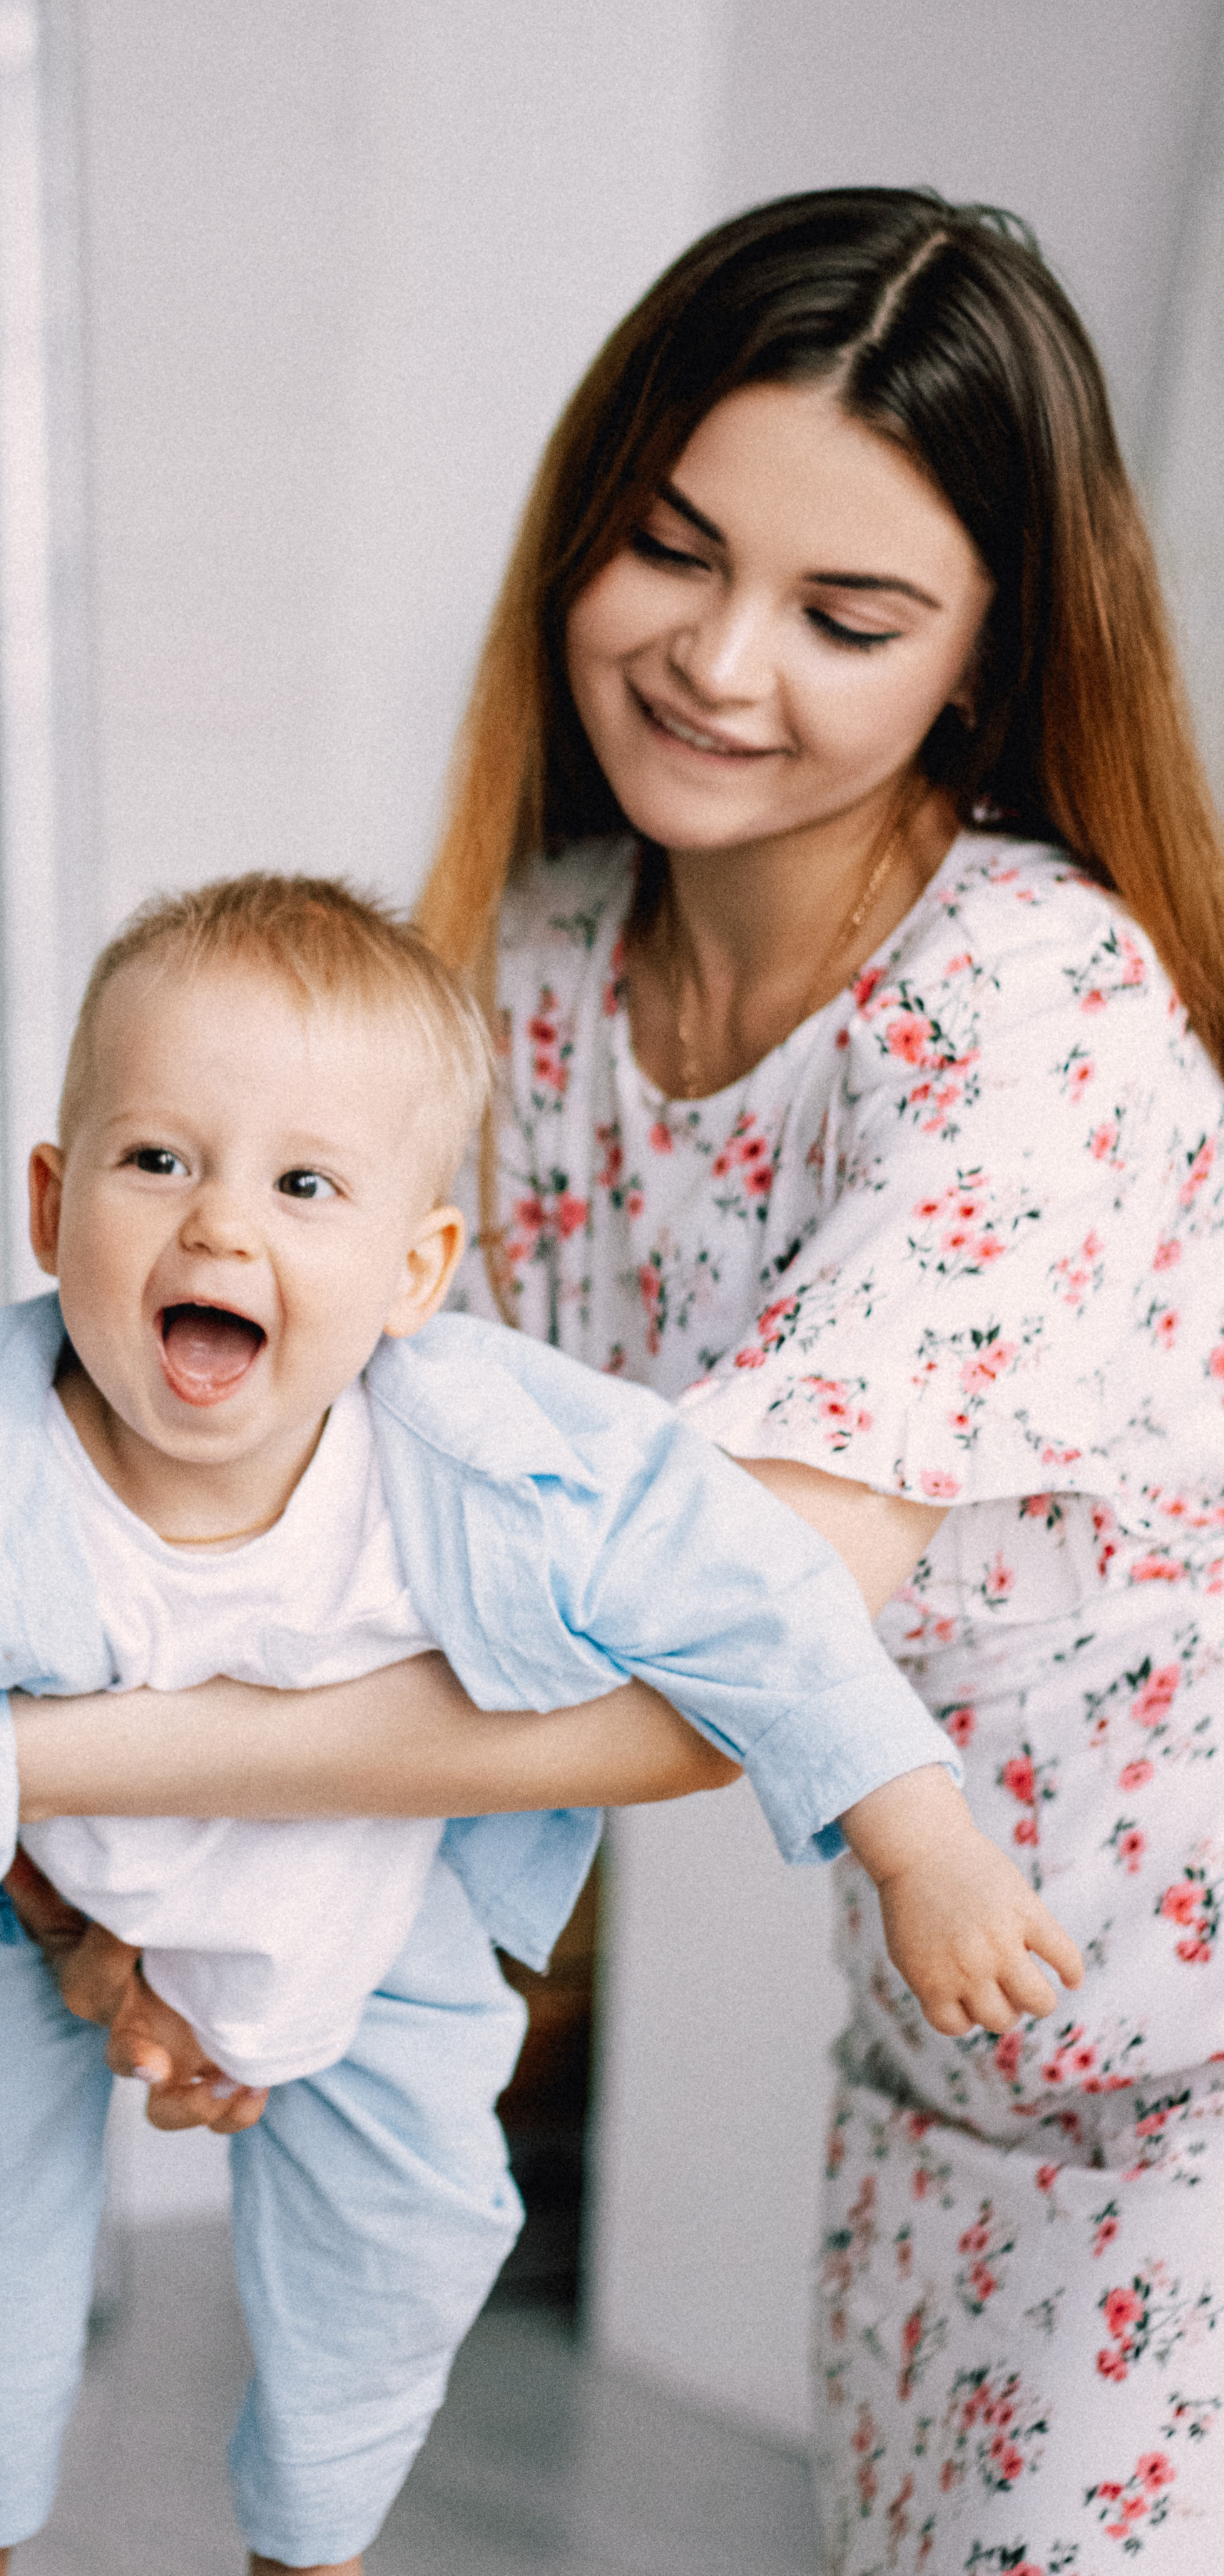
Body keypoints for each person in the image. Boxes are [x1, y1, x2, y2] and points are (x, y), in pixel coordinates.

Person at [0, 873, 1077, 2576]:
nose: (220, 1229)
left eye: (303, 1185)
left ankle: (312, 2541)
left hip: (372, 1922)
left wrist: (917, 1836)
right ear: (52, 1205)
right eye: (157, 1160)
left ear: (411, 1270)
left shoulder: (493, 1452)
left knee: (393, 2280)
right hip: (17, 1919)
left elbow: (750, 1587)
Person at [407, 188, 1224, 2572]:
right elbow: (424, 1541)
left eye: (847, 618)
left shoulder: (1031, 1003)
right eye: (670, 550)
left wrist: (89, 1760)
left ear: (980, 662)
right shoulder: (539, 976)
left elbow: (717, 1649)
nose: (720, 660)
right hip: (942, 2082)